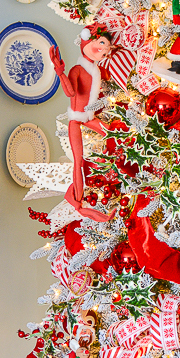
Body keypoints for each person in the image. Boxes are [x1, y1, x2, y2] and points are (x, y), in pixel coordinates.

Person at [50, 27, 114, 222]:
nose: (104, 50)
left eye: (107, 47)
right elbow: (71, 93)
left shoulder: (96, 70)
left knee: (115, 135)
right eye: (102, 43)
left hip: (90, 117)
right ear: (87, 42)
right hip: (76, 120)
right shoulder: (78, 69)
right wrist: (60, 73)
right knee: (78, 161)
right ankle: (77, 199)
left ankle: (113, 171)